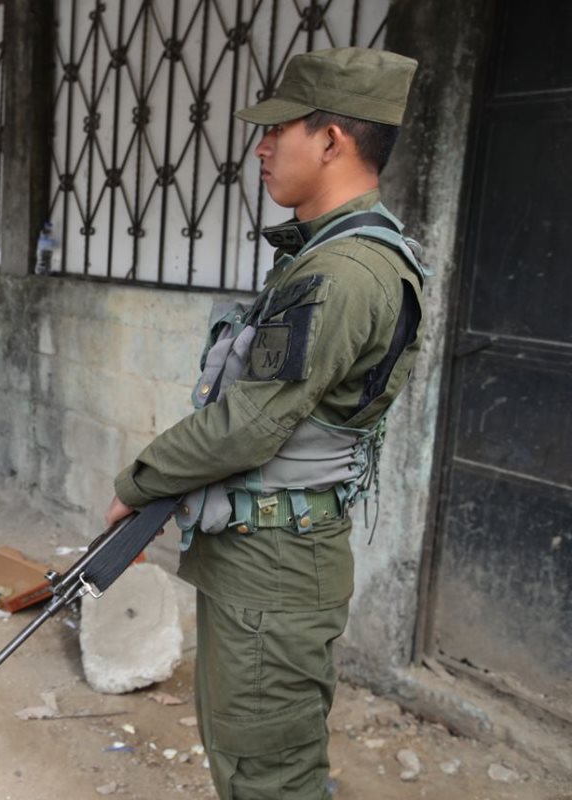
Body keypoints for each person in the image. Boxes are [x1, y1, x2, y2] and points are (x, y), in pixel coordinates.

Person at [105, 48, 424, 798]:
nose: (261, 146)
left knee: (268, 775)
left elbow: (248, 426)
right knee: (247, 754)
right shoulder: (332, 255)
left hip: (275, 564)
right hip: (264, 552)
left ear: (333, 141)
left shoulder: (340, 273)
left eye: (280, 129)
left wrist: (137, 484)